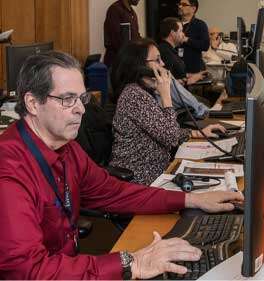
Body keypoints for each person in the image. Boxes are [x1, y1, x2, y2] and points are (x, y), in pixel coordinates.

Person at [0, 51, 244, 279]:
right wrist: (132, 262)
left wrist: (191, 200)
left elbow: (114, 193)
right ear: (32, 103)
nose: (81, 109)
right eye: (67, 99)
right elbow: (30, 272)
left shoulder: (67, 148)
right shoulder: (9, 171)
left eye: (82, 98)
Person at [110, 39, 226, 185]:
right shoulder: (134, 95)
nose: (163, 64)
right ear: (140, 66)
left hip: (158, 174)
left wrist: (198, 133)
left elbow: (165, 130)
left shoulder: (144, 92)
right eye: (157, 59)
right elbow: (170, 137)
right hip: (141, 180)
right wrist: (166, 95)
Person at [159, 17, 207, 85]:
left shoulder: (171, 50)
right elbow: (168, 82)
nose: (183, 34)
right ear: (172, 33)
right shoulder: (164, 51)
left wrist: (192, 75)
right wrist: (188, 81)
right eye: (181, 31)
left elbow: (177, 74)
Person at [103, 0, 141, 68]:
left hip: (127, 63)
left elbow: (136, 36)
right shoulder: (115, 9)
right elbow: (116, 40)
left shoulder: (132, 13)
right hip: (116, 64)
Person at [178, 0, 210, 73]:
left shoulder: (200, 25)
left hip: (194, 69)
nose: (180, 6)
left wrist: (187, 40)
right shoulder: (174, 23)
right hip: (176, 69)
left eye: (184, 4)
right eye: (179, 4)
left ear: (193, 8)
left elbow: (205, 46)